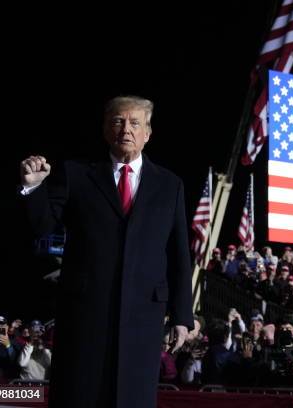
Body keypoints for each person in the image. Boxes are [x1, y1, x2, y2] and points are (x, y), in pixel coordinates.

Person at [19, 96, 193, 408]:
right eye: (118, 121)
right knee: (80, 393)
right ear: (105, 130)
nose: (126, 129)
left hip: (143, 316)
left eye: (135, 122)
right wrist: (33, 188)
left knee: (132, 397)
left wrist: (182, 316)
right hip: (86, 314)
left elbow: (180, 255)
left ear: (147, 133)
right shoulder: (76, 175)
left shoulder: (170, 185)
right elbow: (43, 227)